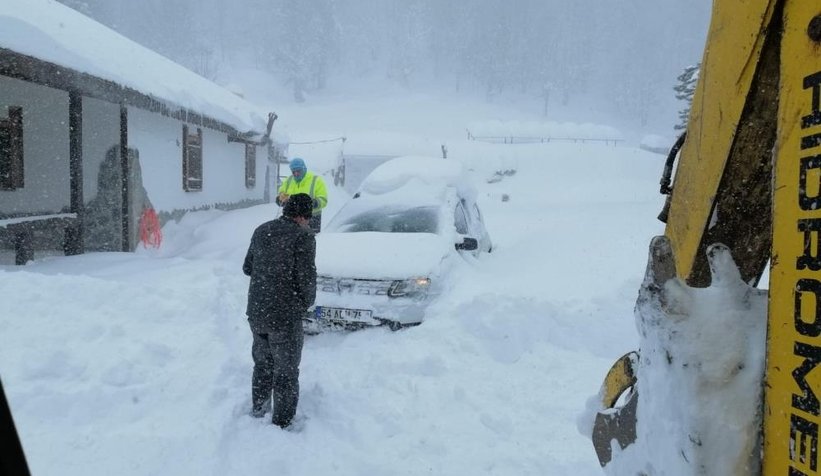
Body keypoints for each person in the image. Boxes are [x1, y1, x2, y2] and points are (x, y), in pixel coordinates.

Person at [243, 193, 316, 428]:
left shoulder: (262, 230)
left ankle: (259, 408)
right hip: (284, 315)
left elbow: (247, 267)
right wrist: (304, 303)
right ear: (303, 216)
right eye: (308, 218)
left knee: (263, 364)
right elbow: (306, 278)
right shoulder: (303, 237)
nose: (308, 223)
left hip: (257, 311)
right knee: (285, 370)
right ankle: (281, 423)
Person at [276, 158, 328, 232]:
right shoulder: (289, 180)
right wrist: (280, 199)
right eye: (293, 171)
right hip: (292, 219)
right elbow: (281, 194)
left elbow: (323, 200)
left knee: (310, 240)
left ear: (304, 169)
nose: (296, 174)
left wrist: (310, 204)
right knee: (291, 241)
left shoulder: (316, 180)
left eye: (298, 171)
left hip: (311, 218)